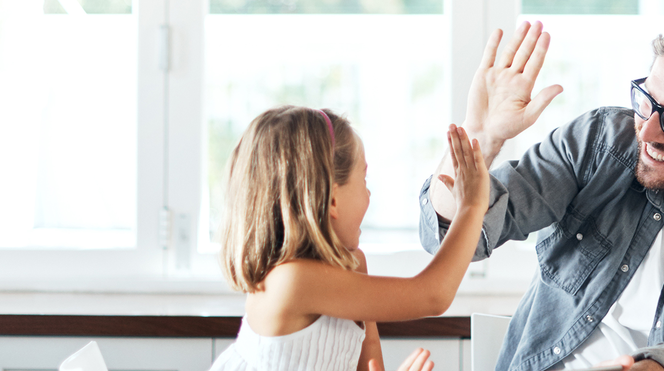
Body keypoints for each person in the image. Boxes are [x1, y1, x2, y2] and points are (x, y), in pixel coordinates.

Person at [418, 15, 664, 371]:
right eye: (647, 100)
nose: (646, 132)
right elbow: (453, 240)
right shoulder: (600, 141)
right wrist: (480, 138)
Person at [211, 105, 492, 371]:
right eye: (364, 180)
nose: (369, 195)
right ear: (332, 200)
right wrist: (471, 207)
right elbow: (433, 295)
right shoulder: (291, 281)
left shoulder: (353, 264)